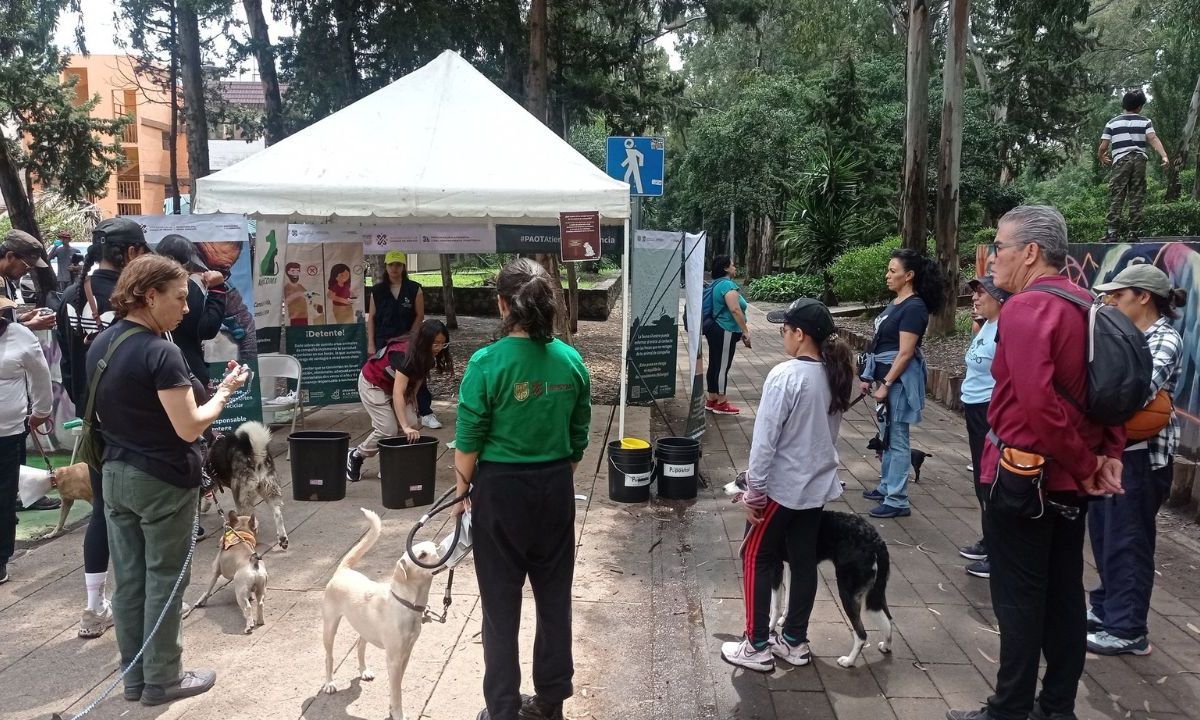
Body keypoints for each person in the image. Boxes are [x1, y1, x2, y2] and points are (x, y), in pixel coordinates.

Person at [946, 205, 1125, 720]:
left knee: (1019, 599)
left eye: (999, 247)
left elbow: (1038, 405)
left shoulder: (1026, 309)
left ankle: (1009, 709)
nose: (993, 257)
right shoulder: (1088, 305)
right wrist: (1104, 455)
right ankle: (1057, 707)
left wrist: (1086, 460)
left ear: (1029, 252)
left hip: (1026, 480)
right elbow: (1107, 393)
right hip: (1071, 485)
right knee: (1065, 595)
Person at [87, 254, 249, 705]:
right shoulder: (162, 351)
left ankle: (135, 677)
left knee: (132, 579)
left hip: (115, 476)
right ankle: (163, 678)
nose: (185, 308)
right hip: (160, 480)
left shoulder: (103, 344)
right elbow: (190, 426)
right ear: (149, 294)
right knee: (165, 579)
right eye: (179, 299)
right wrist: (223, 394)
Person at [453, 258, 590, 720]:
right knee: (554, 598)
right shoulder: (570, 361)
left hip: (498, 493)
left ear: (502, 305)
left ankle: (503, 710)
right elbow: (579, 439)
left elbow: (468, 440)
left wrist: (461, 490)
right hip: (554, 489)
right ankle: (551, 702)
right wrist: (550, 475)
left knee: (499, 605)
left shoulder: (486, 363)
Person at [720, 298, 855, 672]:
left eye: (784, 330)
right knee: (802, 561)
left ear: (800, 334)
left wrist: (754, 491)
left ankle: (756, 645)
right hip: (815, 486)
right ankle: (794, 640)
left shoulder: (786, 376)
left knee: (755, 557)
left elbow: (765, 441)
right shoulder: (836, 372)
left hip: (781, 488)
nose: (783, 337)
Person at [56, 218, 153, 639]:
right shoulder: (130, 300)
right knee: (148, 511)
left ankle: (94, 607)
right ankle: (153, 599)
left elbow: (67, 364)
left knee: (103, 511)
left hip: (91, 422)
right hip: (133, 423)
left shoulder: (71, 298)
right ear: (132, 253)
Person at [1086, 264, 1185, 656]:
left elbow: (1132, 393)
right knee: (1105, 537)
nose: (1111, 302)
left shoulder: (1164, 338)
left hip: (1140, 459)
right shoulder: (1125, 336)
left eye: (1119, 295)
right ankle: (1107, 610)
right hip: (1111, 451)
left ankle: (1128, 628)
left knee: (1129, 541)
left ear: (1144, 297)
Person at [859, 248, 943, 519]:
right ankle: (886, 487)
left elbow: (905, 352)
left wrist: (886, 383)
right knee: (886, 437)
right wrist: (869, 377)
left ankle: (897, 499)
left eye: (892, 271)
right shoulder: (897, 303)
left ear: (909, 276)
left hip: (897, 382)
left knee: (897, 439)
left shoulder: (914, 307)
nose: (887, 275)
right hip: (884, 377)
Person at [346, 319, 452, 482]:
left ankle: (390, 464)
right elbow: (397, 392)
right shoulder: (403, 353)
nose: (438, 348)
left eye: (442, 344)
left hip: (396, 386)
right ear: (425, 340)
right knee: (388, 429)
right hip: (374, 383)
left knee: (412, 425)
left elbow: (419, 376)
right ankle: (356, 455)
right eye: (435, 343)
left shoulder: (428, 355)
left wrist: (413, 396)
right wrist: (403, 425)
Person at [958, 276, 1011, 580]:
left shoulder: (1005, 330)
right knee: (981, 479)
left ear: (1001, 298)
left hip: (990, 412)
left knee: (991, 481)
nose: (975, 299)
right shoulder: (986, 325)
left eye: (982, 294)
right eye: (975, 293)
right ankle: (988, 539)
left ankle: (998, 552)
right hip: (975, 409)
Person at [0, 309, 54, 584]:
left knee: (4, 494)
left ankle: (0, 558)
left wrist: (41, 411)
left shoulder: (19, 335)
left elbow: (41, 377)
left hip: (7, 433)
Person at [367, 251, 441, 428]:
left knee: (416, 374)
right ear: (386, 266)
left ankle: (426, 412)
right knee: (384, 376)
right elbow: (372, 318)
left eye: (398, 265)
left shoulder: (414, 288)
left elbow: (419, 315)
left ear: (403, 267)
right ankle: (390, 415)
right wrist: (370, 343)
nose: (394, 268)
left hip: (408, 340)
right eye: (391, 265)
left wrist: (412, 338)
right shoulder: (377, 290)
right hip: (383, 340)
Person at [154, 234, 228, 385]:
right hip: (186, 371)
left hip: (160, 369)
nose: (185, 309)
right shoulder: (185, 286)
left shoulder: (149, 287)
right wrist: (218, 290)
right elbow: (207, 329)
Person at [1099, 90, 1170, 242]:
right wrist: (1164, 155)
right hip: (1139, 161)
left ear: (1124, 104)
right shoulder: (1145, 121)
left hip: (1121, 161)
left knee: (1117, 194)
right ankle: (1133, 232)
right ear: (1139, 107)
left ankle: (1112, 233)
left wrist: (1101, 155)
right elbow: (1153, 138)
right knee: (1136, 195)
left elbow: (1104, 145)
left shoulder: (1112, 122)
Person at [704, 255, 751, 415]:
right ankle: (722, 403)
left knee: (715, 364)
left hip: (717, 330)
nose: (735, 268)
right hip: (725, 330)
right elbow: (735, 309)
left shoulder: (716, 284)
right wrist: (745, 330)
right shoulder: (727, 285)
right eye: (733, 265)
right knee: (723, 366)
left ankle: (712, 398)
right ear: (725, 268)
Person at [0, 230, 57, 333]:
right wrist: (29, 325)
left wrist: (24, 317)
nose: (29, 271)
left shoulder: (6, 280)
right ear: (10, 256)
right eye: (27, 266)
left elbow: (4, 320)